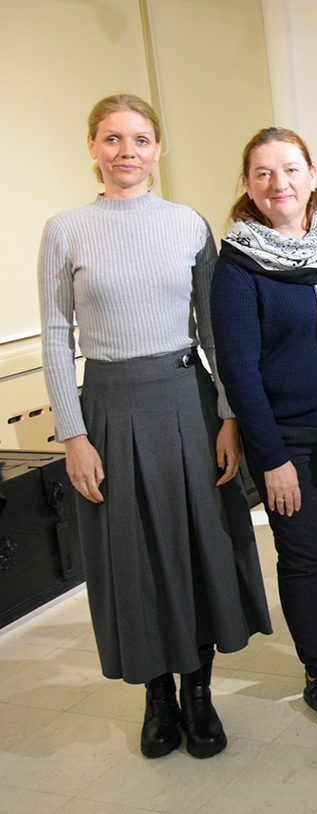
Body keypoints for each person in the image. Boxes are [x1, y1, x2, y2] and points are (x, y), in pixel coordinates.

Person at [37, 94, 271, 759]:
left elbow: (216, 333)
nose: (127, 152)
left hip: (186, 403)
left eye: (140, 139)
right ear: (92, 147)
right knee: (131, 555)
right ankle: (156, 695)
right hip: (108, 409)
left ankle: (198, 692)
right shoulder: (66, 230)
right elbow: (55, 336)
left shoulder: (188, 225)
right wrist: (73, 435)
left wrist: (228, 415)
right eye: (112, 139)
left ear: (159, 148)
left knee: (198, 546)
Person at [210, 127, 317, 731]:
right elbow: (238, 371)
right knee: (305, 556)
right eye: (263, 173)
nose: (278, 183)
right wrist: (273, 458)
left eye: (289, 169)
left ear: (311, 174)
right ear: (247, 185)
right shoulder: (239, 263)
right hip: (287, 441)